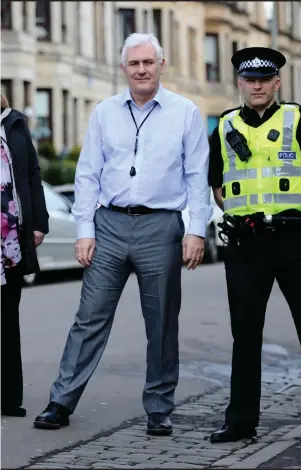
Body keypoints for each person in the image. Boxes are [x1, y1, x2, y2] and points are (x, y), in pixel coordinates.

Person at [34, 33, 211, 434]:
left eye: (149, 62)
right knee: (89, 318)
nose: (142, 69)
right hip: (108, 225)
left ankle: (159, 408)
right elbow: (88, 175)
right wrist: (84, 230)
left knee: (162, 322)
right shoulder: (104, 112)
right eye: (134, 64)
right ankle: (60, 401)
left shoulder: (186, 113)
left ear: (161, 65)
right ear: (124, 69)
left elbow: (198, 177)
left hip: (161, 226)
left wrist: (196, 231)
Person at [207, 47, 301, 443]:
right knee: (245, 336)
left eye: (265, 79)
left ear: (277, 82)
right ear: (240, 84)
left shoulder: (297, 121)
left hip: (295, 240)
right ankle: (241, 422)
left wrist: (300, 224)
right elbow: (218, 187)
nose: (257, 85)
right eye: (250, 79)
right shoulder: (224, 126)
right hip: (246, 245)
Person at [1, 94, 49, 417]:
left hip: (10, 242)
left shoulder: (16, 124)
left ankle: (8, 398)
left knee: (7, 319)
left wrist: (39, 223)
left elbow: (33, 174)